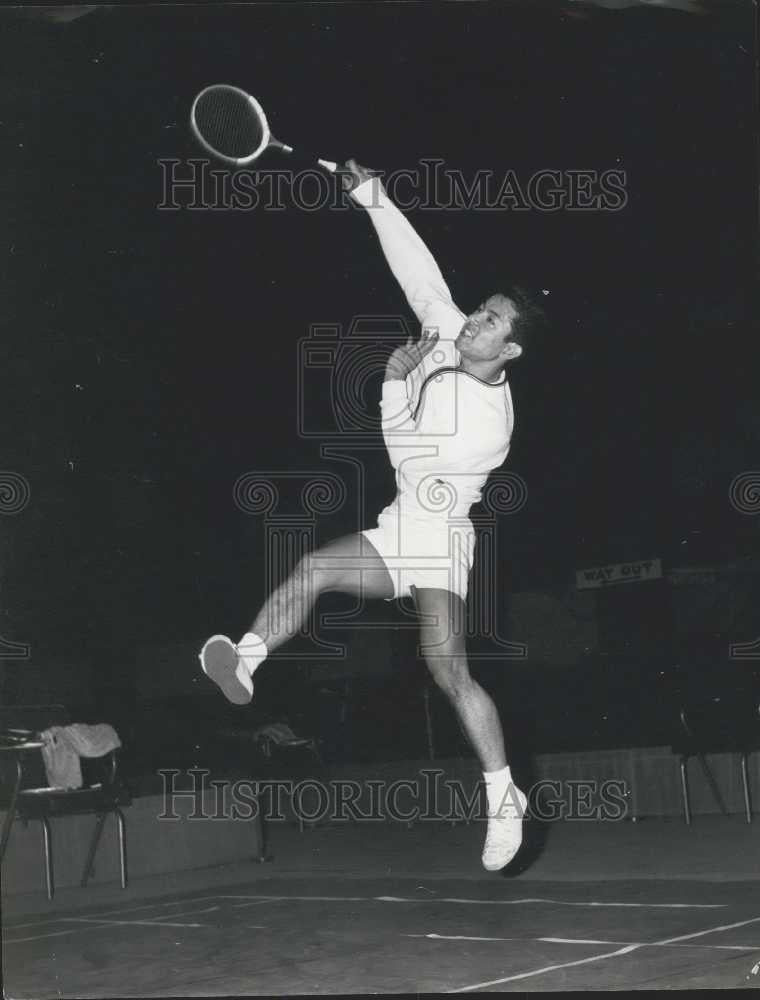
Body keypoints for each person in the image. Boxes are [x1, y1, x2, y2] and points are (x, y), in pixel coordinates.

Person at [199, 159, 546, 870]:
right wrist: (373, 198)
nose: (474, 321)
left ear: (508, 350)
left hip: (442, 534)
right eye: (479, 310)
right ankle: (247, 661)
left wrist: (391, 386)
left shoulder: (490, 426)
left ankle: (503, 793)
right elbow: (420, 276)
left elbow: (412, 455)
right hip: (401, 522)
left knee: (446, 668)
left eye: (491, 322)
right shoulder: (453, 333)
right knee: (312, 569)